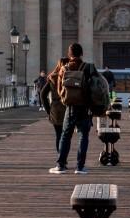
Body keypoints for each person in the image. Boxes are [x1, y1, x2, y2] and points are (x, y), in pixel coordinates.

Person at [49, 43, 97, 175]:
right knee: (83, 136)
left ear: (69, 54)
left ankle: (61, 165)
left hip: (70, 107)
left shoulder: (64, 68)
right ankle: (80, 167)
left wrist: (67, 98)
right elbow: (97, 87)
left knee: (65, 135)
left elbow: (59, 89)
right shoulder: (88, 67)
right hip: (85, 107)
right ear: (81, 53)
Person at [41, 58, 68, 154]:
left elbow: (43, 95)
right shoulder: (71, 77)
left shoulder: (53, 78)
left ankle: (60, 158)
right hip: (68, 108)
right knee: (66, 135)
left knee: (59, 135)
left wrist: (48, 110)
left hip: (56, 109)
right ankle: (63, 157)